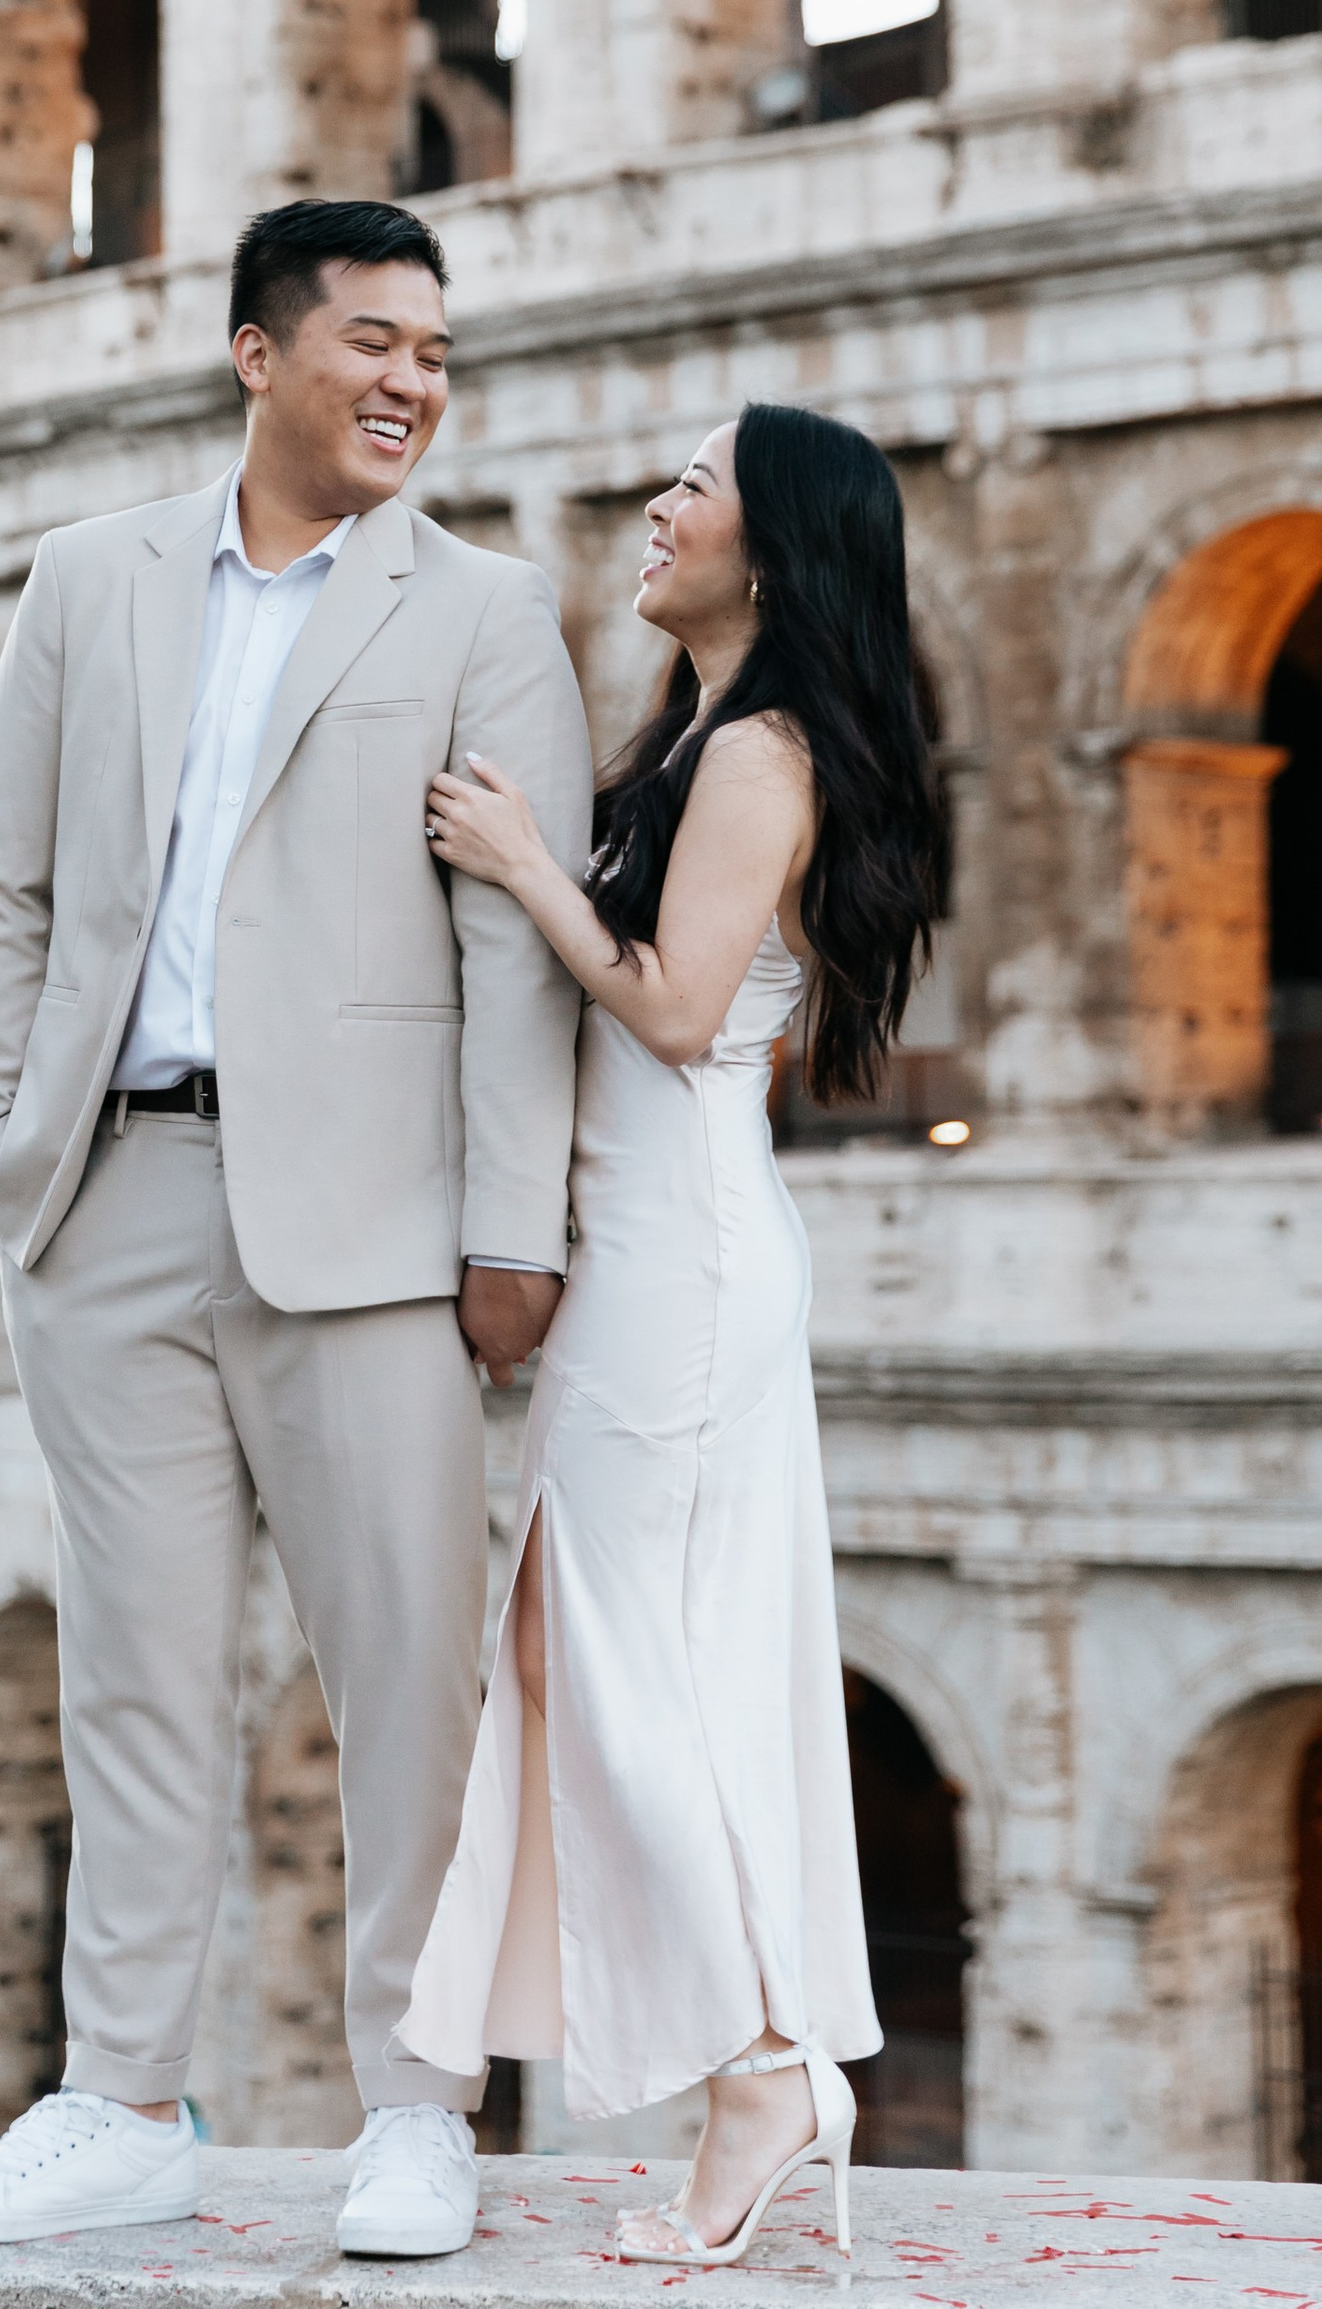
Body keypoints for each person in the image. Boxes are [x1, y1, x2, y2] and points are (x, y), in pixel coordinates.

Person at [0, 199, 592, 2257]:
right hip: (108, 1197)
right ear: (255, 354)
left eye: (433, 356)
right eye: (369, 341)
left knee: (406, 1683)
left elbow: (513, 951)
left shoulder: (485, 609)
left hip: (373, 1230)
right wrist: (9, 1156)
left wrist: (507, 1232)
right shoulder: (86, 581)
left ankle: (416, 2106)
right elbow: (0, 896)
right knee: (128, 1670)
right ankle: (122, 2100)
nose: (406, 383)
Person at [398, 401, 947, 2267]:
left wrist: (521, 859)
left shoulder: (765, 752)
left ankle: (766, 2065)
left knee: (636, 1662)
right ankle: (763, 2047)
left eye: (694, 483)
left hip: (686, 1248)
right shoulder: (707, 739)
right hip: (656, 1236)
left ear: (771, 548)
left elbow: (677, 1002)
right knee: (593, 1650)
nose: (657, 501)